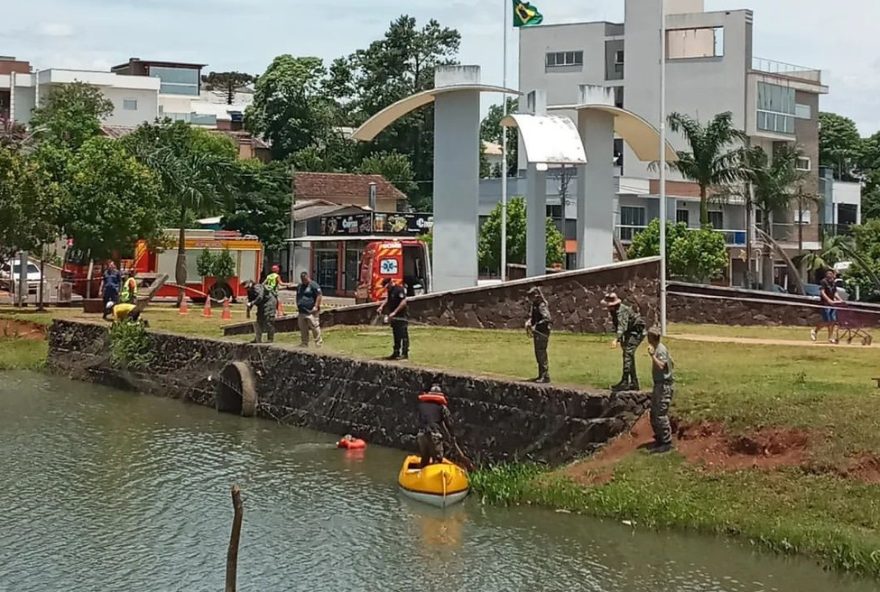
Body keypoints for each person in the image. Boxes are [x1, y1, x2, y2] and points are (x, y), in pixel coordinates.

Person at [603, 292, 646, 392]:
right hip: (629, 332)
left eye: (609, 306)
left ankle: (625, 382)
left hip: (636, 332)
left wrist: (616, 339)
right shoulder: (614, 312)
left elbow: (622, 327)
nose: (607, 308)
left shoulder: (622, 311)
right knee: (628, 356)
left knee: (628, 354)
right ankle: (634, 383)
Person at [646, 327, 675, 454]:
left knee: (660, 414)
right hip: (658, 384)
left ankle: (666, 442)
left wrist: (652, 356)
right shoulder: (661, 348)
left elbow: (662, 365)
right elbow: (672, 362)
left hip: (664, 386)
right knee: (654, 413)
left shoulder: (660, 350)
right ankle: (659, 437)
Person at [417, 383, 453, 467]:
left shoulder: (421, 406)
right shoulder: (442, 407)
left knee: (425, 458)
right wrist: (452, 435)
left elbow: (420, 420)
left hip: (421, 434)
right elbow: (449, 422)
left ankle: (422, 474)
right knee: (437, 458)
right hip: (434, 434)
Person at [525, 286, 552, 383]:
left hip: (542, 332)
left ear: (535, 296)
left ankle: (545, 376)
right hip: (537, 333)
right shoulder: (535, 305)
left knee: (541, 353)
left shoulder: (541, 305)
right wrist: (529, 323)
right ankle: (541, 375)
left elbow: (547, 319)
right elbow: (533, 318)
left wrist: (536, 326)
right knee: (538, 353)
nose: (529, 300)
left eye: (530, 297)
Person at [378, 277, 409, 360]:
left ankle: (404, 353)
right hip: (394, 317)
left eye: (387, 286)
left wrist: (395, 312)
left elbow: (403, 302)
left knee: (403, 335)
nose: (387, 288)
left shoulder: (399, 289)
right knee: (396, 335)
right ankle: (396, 352)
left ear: (391, 282)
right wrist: (381, 306)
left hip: (401, 316)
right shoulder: (390, 290)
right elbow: (388, 299)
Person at [811, 269, 842, 344]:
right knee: (827, 321)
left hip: (833, 305)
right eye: (828, 273)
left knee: (833, 321)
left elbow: (835, 293)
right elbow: (822, 292)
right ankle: (815, 331)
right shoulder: (823, 282)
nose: (829, 275)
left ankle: (830, 338)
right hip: (825, 304)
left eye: (831, 273)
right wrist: (828, 300)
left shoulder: (833, 283)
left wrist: (840, 300)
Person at [296, 271, 323, 347]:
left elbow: (319, 295)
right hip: (302, 311)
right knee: (303, 328)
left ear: (308, 277)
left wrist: (316, 306)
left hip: (311, 311)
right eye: (302, 279)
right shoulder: (300, 286)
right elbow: (298, 295)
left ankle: (318, 343)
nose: (303, 281)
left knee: (314, 327)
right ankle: (304, 343)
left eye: (305, 279)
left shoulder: (313, 285)